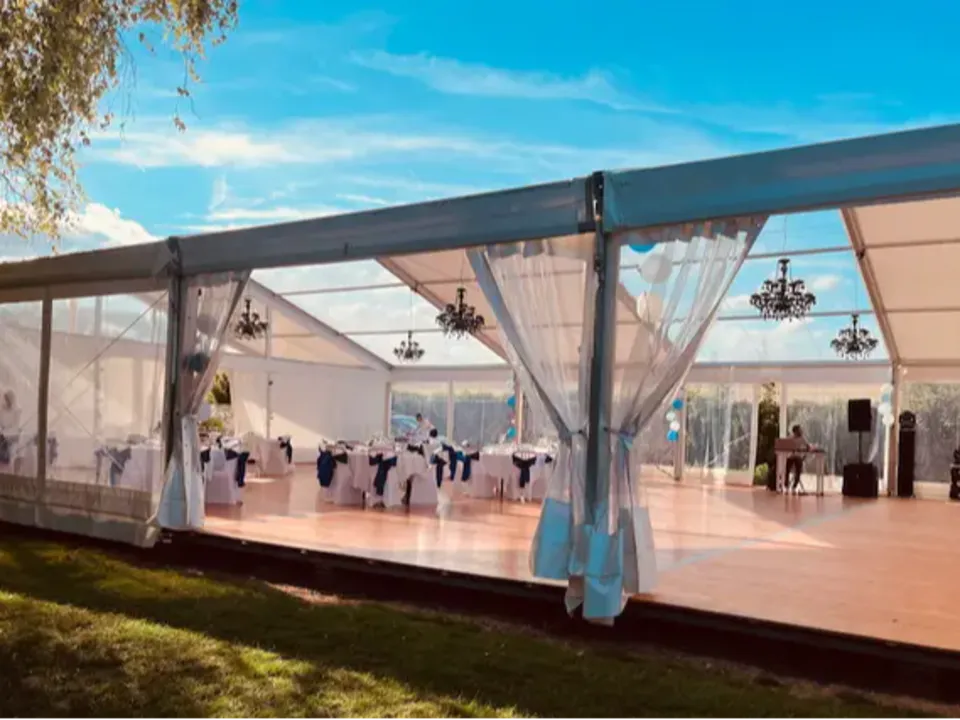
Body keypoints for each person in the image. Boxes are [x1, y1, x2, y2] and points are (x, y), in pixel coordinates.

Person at [785, 425, 810, 494]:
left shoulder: (802, 438)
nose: (801, 431)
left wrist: (804, 455)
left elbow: (808, 447)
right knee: (786, 470)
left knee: (798, 471)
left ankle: (794, 487)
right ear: (795, 431)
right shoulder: (790, 438)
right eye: (799, 430)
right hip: (791, 456)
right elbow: (785, 445)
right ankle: (786, 486)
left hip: (798, 457)